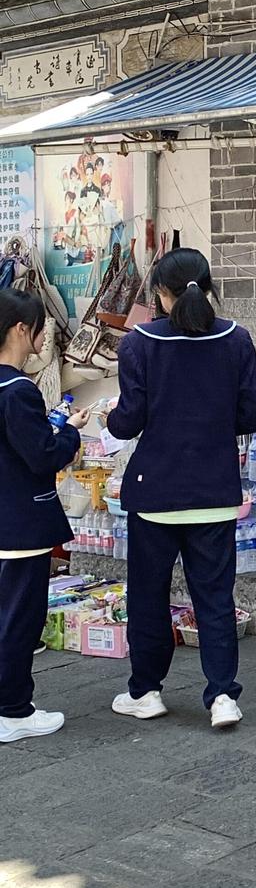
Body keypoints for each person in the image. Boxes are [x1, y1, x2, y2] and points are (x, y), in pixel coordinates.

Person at [106, 248, 256, 729]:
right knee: (214, 598)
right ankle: (223, 697)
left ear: (161, 293)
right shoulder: (236, 339)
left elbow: (127, 420)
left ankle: (147, 691)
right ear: (207, 286)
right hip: (214, 494)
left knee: (148, 597)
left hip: (154, 494)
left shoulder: (139, 343)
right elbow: (254, 414)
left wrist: (110, 418)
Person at [0, 289, 87, 743]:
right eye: (38, 329)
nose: (41, 339)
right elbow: (41, 456)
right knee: (20, 618)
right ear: (20, 329)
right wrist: (69, 433)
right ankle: (13, 709)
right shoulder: (18, 390)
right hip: (19, 521)